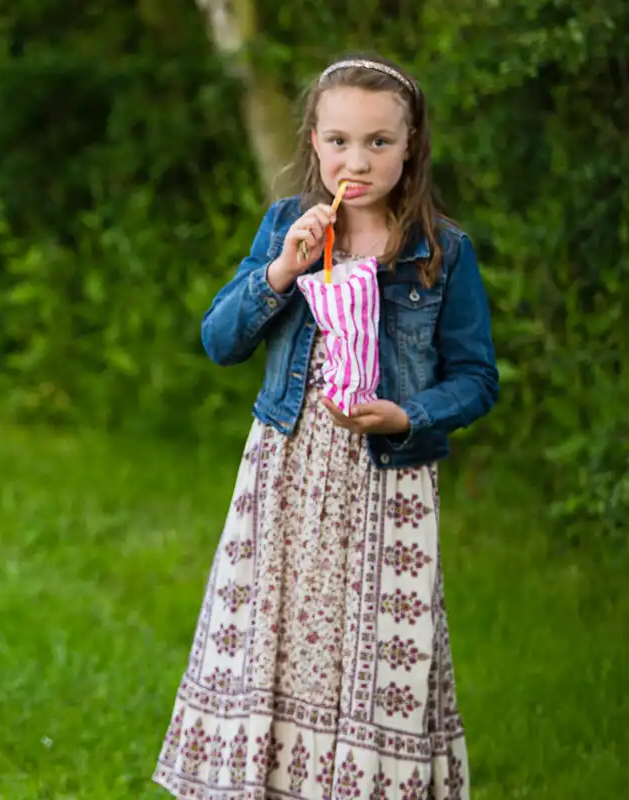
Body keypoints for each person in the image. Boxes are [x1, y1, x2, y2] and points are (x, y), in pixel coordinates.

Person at [153, 55, 498, 799]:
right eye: (339, 140)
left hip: (387, 486)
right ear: (313, 141)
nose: (358, 160)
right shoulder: (288, 227)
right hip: (287, 473)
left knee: (378, 660)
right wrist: (282, 271)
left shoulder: (442, 252)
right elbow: (220, 341)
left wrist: (410, 414)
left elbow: (476, 378)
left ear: (411, 146)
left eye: (379, 142)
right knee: (270, 647)